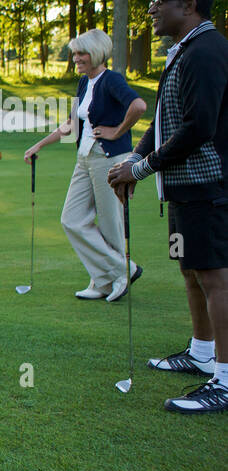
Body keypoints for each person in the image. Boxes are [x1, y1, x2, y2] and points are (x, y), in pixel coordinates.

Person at [108, 0, 228, 414]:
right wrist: (132, 165)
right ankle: (201, 353)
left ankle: (225, 378)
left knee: (216, 276)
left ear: (189, 5)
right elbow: (163, 124)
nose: (153, 10)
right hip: (181, 184)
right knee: (192, 270)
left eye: (160, 2)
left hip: (207, 182)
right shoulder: (183, 51)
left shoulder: (207, 51)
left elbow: (198, 128)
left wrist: (139, 168)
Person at [24, 29, 147, 301]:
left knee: (110, 224)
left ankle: (109, 279)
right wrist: (39, 145)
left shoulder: (111, 79)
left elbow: (138, 106)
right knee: (71, 219)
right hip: (84, 157)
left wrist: (116, 131)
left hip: (109, 158)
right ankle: (118, 272)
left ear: (98, 53)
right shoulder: (84, 83)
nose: (76, 58)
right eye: (75, 53)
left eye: (82, 53)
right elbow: (71, 125)